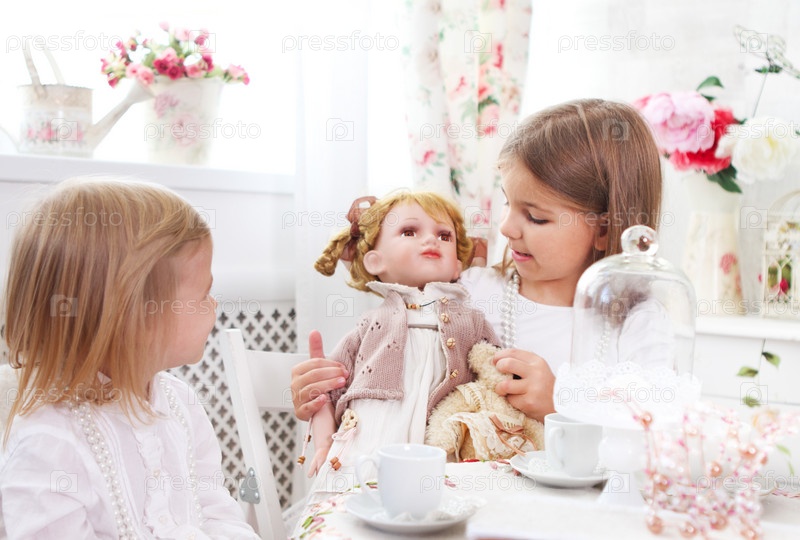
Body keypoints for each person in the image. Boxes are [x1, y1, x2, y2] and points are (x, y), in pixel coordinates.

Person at [292, 98, 663, 427]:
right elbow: (384, 371)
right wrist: (322, 393)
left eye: (535, 217)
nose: (506, 227)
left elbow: (654, 436)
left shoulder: (637, 323)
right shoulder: (466, 292)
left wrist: (561, 402)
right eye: (507, 203)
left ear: (604, 229)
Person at [0, 178, 259, 539]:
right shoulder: (49, 443)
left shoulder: (181, 402)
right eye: (204, 294)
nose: (214, 304)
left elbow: (215, 510)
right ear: (136, 316)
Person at [301, 191, 499, 494]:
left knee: (440, 504)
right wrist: (324, 444)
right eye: (409, 231)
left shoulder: (472, 322)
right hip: (371, 442)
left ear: (457, 267)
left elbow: (497, 377)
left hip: (443, 448)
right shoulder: (370, 324)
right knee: (360, 504)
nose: (431, 240)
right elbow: (326, 392)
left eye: (444, 236)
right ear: (375, 261)